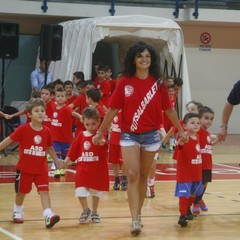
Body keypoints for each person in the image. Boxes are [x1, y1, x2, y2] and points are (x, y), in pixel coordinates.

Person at [92, 41, 186, 235]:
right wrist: (100, 131)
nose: (144, 59)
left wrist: (180, 130)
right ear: (133, 60)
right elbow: (113, 108)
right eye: (140, 56)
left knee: (143, 177)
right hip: (129, 135)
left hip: (151, 136)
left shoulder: (158, 83)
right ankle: (134, 219)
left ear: (152, 60)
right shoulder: (124, 82)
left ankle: (139, 214)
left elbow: (168, 109)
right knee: (133, 175)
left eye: (147, 56)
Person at [0, 98, 60, 228]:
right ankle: (17, 211)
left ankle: (48, 215)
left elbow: (49, 147)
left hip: (41, 169)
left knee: (44, 191)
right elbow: (8, 140)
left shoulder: (47, 131)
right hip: (25, 169)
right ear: (29, 114)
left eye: (42, 111)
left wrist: (56, 160)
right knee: (21, 192)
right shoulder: (23, 129)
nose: (40, 113)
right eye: (37, 111)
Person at [61, 107, 109, 224]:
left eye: (93, 124)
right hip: (82, 169)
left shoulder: (100, 135)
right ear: (83, 122)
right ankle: (85, 210)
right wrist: (66, 161)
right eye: (87, 124)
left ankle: (94, 211)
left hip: (96, 170)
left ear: (98, 122)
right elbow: (73, 149)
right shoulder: (81, 135)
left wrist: (102, 142)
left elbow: (104, 145)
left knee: (96, 192)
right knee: (80, 190)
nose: (91, 126)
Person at [174, 112, 203, 227]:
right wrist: (181, 141)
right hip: (185, 173)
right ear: (185, 126)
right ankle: (182, 215)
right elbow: (180, 145)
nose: (196, 125)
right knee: (184, 194)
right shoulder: (184, 137)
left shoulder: (198, 136)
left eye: (198, 123)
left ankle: (187, 209)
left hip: (196, 172)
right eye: (192, 123)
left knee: (194, 194)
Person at [192, 106, 219, 216]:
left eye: (211, 119)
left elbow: (209, 146)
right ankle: (196, 204)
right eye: (206, 118)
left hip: (208, 164)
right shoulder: (198, 132)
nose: (209, 121)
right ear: (200, 118)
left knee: (205, 184)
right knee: (198, 185)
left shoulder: (207, 134)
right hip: (199, 164)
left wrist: (218, 139)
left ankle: (199, 199)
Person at [51, 88, 82, 177]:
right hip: (55, 138)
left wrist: (80, 116)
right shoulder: (53, 107)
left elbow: (73, 113)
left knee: (64, 156)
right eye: (58, 96)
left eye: (62, 96)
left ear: (65, 99)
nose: (60, 98)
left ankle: (62, 169)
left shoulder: (67, 108)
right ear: (55, 98)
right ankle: (57, 170)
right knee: (57, 155)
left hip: (65, 138)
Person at [108, 111, 128, 191]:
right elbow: (107, 120)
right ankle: (116, 180)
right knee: (114, 160)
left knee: (123, 161)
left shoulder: (126, 111)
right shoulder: (112, 111)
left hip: (123, 139)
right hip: (113, 139)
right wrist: (110, 127)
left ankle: (124, 179)